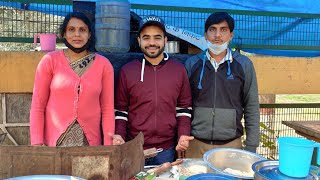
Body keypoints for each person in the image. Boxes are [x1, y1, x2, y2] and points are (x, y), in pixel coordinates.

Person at [113, 15, 194, 165]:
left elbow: (184, 109)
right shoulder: (127, 71)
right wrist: (119, 135)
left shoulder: (178, 70)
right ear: (139, 41)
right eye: (146, 37)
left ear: (165, 40)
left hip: (167, 150)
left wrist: (183, 134)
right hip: (135, 148)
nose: (151, 43)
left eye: (157, 37)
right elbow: (120, 111)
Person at [30, 12, 115, 147]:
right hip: (55, 145)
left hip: (90, 145)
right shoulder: (50, 61)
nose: (77, 34)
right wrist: (37, 142)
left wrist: (109, 146)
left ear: (90, 35)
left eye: (82, 30)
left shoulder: (104, 65)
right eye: (71, 29)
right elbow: (38, 106)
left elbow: (107, 109)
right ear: (64, 34)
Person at [184, 12, 260, 158]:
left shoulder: (244, 65)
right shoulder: (192, 64)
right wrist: (181, 137)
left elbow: (251, 106)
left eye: (223, 30)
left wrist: (251, 146)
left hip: (231, 146)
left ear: (231, 35)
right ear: (205, 35)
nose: (217, 35)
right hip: (195, 144)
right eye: (212, 29)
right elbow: (182, 105)